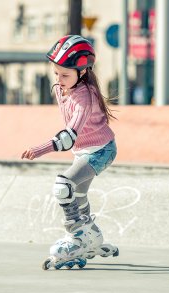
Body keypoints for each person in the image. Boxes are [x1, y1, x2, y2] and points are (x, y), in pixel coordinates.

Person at [21, 35, 119, 270]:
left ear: (82, 72)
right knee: (77, 195)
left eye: (65, 75)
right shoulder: (60, 88)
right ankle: (91, 237)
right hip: (84, 151)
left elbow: (69, 135)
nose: (59, 80)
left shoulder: (85, 97)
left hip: (101, 151)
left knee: (63, 185)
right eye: (56, 73)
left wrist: (40, 149)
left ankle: (76, 237)